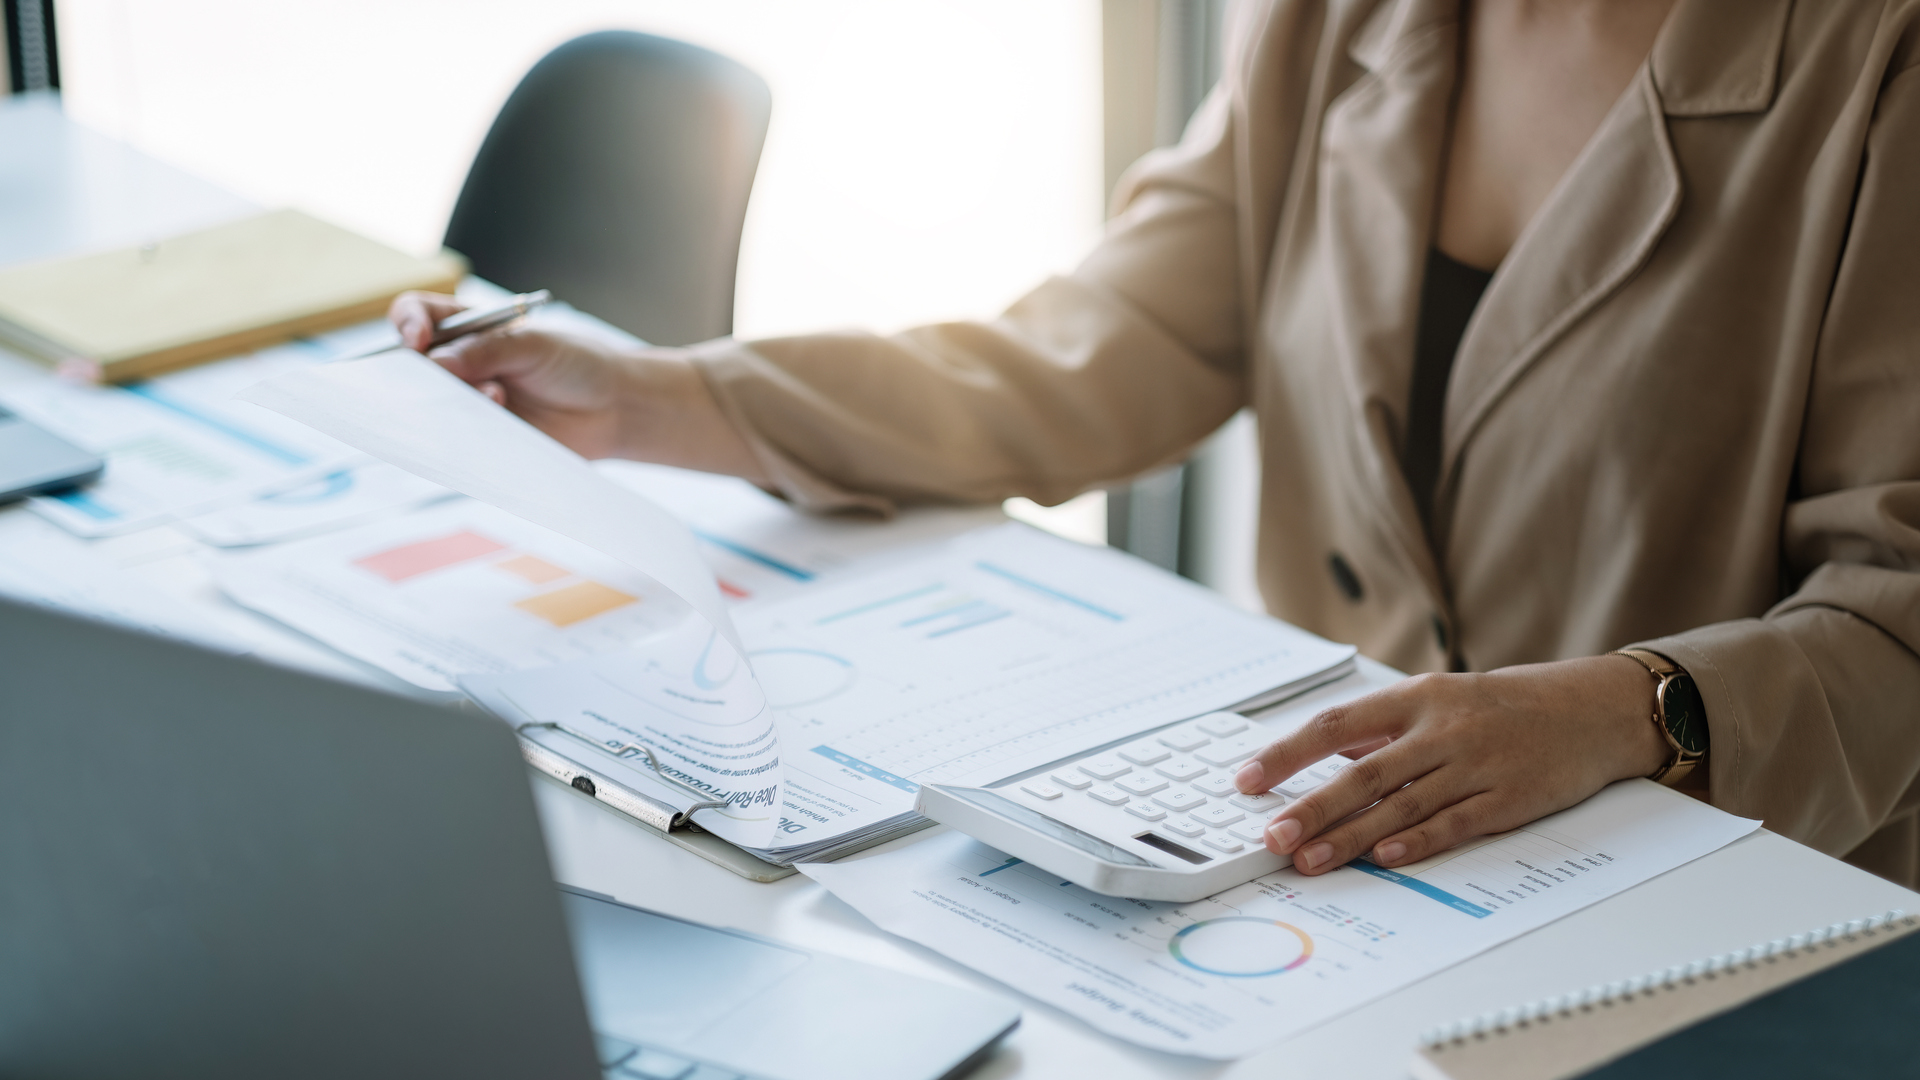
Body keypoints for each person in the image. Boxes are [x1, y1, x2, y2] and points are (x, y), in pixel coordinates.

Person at [392, 0, 1920, 886]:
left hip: (1741, 892)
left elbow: (1898, 607)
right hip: (1333, 860)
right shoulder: (1349, 19)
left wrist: (1627, 711)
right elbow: (1099, 353)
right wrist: (662, 398)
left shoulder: (1878, 66)